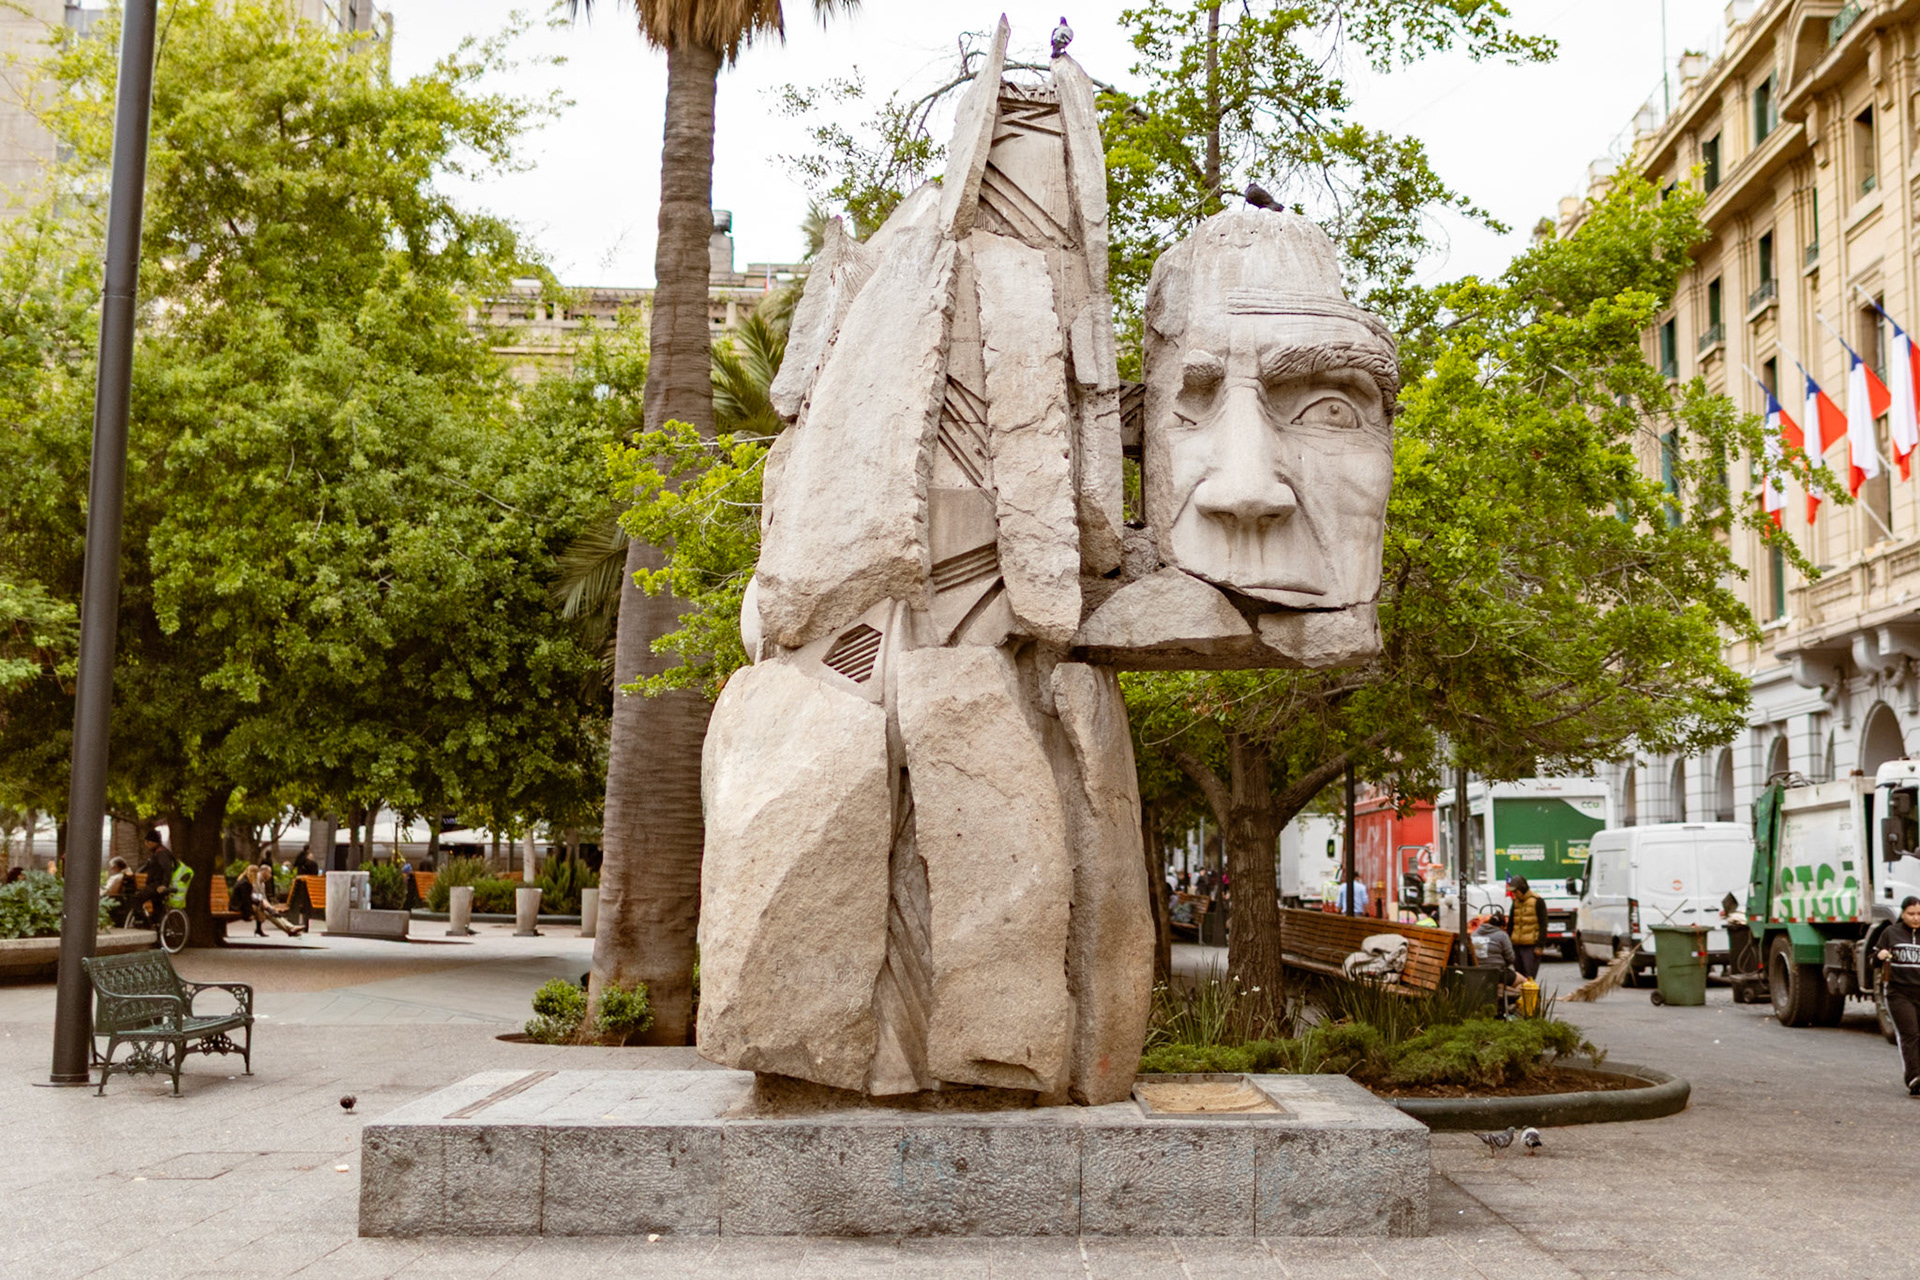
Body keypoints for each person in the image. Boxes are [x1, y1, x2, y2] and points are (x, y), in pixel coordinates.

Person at [1876, 895, 1920, 1094]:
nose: (1916, 918)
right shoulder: (1891, 933)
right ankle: (1914, 1078)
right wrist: (1880, 955)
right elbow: (1873, 959)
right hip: (1899, 993)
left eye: (1919, 914)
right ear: (1902, 914)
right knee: (1910, 1034)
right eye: (1911, 914)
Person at [128, 829, 175, 928]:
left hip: (157, 885)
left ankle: (142, 921)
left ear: (153, 842)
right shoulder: (157, 853)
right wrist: (134, 873)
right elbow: (147, 866)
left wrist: (164, 885)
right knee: (157, 908)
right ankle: (156, 927)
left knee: (136, 899)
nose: (146, 844)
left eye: (147, 842)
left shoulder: (162, 854)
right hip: (155, 884)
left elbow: (167, 869)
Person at [1506, 876, 1548, 980]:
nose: (1515, 894)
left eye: (1516, 891)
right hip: (1516, 945)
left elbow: (1543, 925)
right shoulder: (1515, 902)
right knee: (1518, 977)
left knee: (1529, 977)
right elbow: (1511, 923)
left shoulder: (1537, 901)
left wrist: (1540, 946)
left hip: (1531, 945)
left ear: (1522, 889)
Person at [246, 863, 303, 936]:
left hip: (258, 904)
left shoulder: (262, 883)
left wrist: (270, 907)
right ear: (264, 872)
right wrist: (268, 907)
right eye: (269, 873)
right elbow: (254, 896)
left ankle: (290, 928)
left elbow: (263, 898)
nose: (270, 875)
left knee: (270, 911)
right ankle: (290, 928)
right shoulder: (255, 879)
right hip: (250, 905)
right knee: (269, 912)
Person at [1470, 908, 1517, 974]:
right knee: (1521, 978)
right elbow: (1510, 958)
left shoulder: (1474, 933)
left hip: (1477, 970)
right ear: (1501, 926)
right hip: (1497, 971)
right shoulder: (1502, 935)